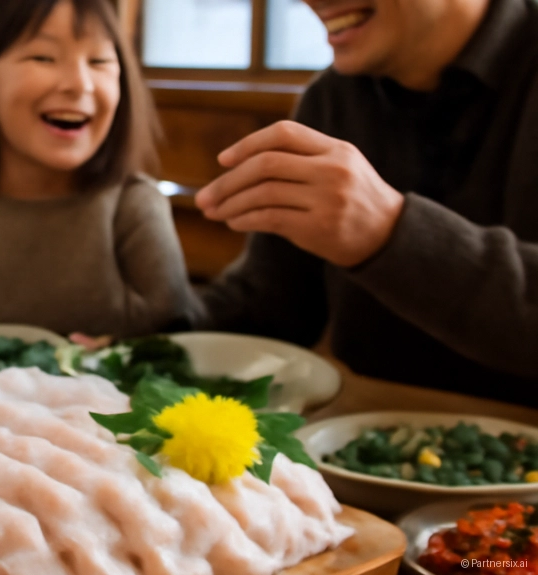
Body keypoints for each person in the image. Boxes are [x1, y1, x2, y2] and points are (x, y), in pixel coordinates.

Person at [193, 0, 538, 406]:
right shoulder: (332, 99)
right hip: (355, 450)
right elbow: (270, 309)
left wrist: (391, 234)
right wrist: (134, 321)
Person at [0, 0, 195, 338]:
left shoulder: (134, 208)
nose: (80, 85)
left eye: (99, 61)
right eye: (43, 57)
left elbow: (178, 349)